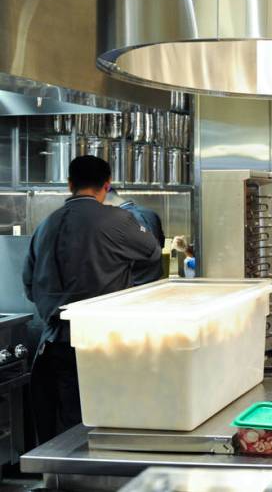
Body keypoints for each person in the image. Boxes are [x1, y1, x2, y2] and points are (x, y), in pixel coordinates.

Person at [22, 156, 162, 444]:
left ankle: (70, 478)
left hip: (56, 340)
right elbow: (153, 253)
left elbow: (28, 283)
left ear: (70, 184)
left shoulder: (45, 225)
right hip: (105, 340)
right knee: (109, 415)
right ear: (107, 185)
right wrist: (132, 287)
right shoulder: (119, 220)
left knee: (70, 418)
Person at [105, 187, 165, 285]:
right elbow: (160, 245)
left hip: (133, 287)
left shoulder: (117, 221)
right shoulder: (151, 214)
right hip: (155, 282)